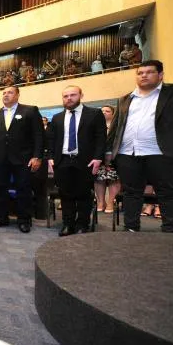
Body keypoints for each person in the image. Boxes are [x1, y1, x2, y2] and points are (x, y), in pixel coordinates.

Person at [106, 60, 173, 232]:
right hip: (128, 153)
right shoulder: (125, 99)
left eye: (149, 72)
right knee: (131, 192)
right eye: (140, 73)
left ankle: (171, 230)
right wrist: (108, 151)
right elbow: (115, 127)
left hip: (161, 152)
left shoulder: (172, 94)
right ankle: (130, 228)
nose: (143, 75)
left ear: (160, 75)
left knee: (168, 193)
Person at [47, 86, 106, 236]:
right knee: (66, 195)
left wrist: (98, 157)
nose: (69, 98)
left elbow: (101, 138)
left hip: (85, 161)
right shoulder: (57, 118)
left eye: (73, 95)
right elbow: (51, 140)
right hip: (63, 161)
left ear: (81, 95)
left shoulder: (94, 114)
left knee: (84, 195)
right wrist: (51, 158)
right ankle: (68, 224)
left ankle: (82, 225)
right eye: (65, 96)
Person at [0, 86, 44, 233]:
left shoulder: (30, 110)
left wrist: (37, 156)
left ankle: (24, 220)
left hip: (23, 159)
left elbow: (39, 135)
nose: (6, 95)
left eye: (10, 92)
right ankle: (2, 218)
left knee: (23, 190)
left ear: (17, 95)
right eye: (3, 93)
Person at [94, 105, 120, 213]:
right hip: (98, 156)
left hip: (114, 156)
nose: (104, 112)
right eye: (102, 111)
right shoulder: (94, 125)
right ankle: (101, 202)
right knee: (99, 179)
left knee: (113, 178)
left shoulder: (117, 126)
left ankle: (110, 202)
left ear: (113, 114)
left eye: (107, 111)